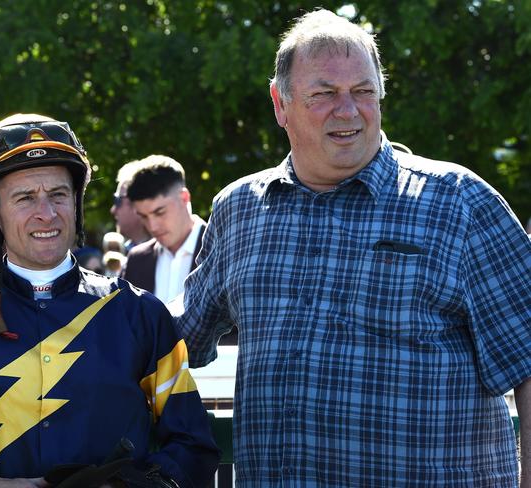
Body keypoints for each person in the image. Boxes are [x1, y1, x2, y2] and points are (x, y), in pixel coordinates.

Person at [175, 8, 531, 487]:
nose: (348, 110)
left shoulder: (458, 203)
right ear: (281, 104)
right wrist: (72, 305)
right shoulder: (239, 210)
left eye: (363, 92)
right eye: (324, 94)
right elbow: (177, 338)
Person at [0, 114, 220, 487]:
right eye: (24, 198)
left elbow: (193, 447)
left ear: (76, 203)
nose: (46, 213)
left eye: (58, 194)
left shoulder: (140, 314)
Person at [121, 155, 206, 305]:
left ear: (184, 197)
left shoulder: (221, 251)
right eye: (143, 216)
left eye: (159, 212)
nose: (152, 226)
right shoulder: (136, 260)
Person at [110, 160, 150, 253]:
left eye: (117, 200)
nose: (113, 210)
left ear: (138, 204)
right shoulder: (122, 255)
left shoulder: (165, 254)